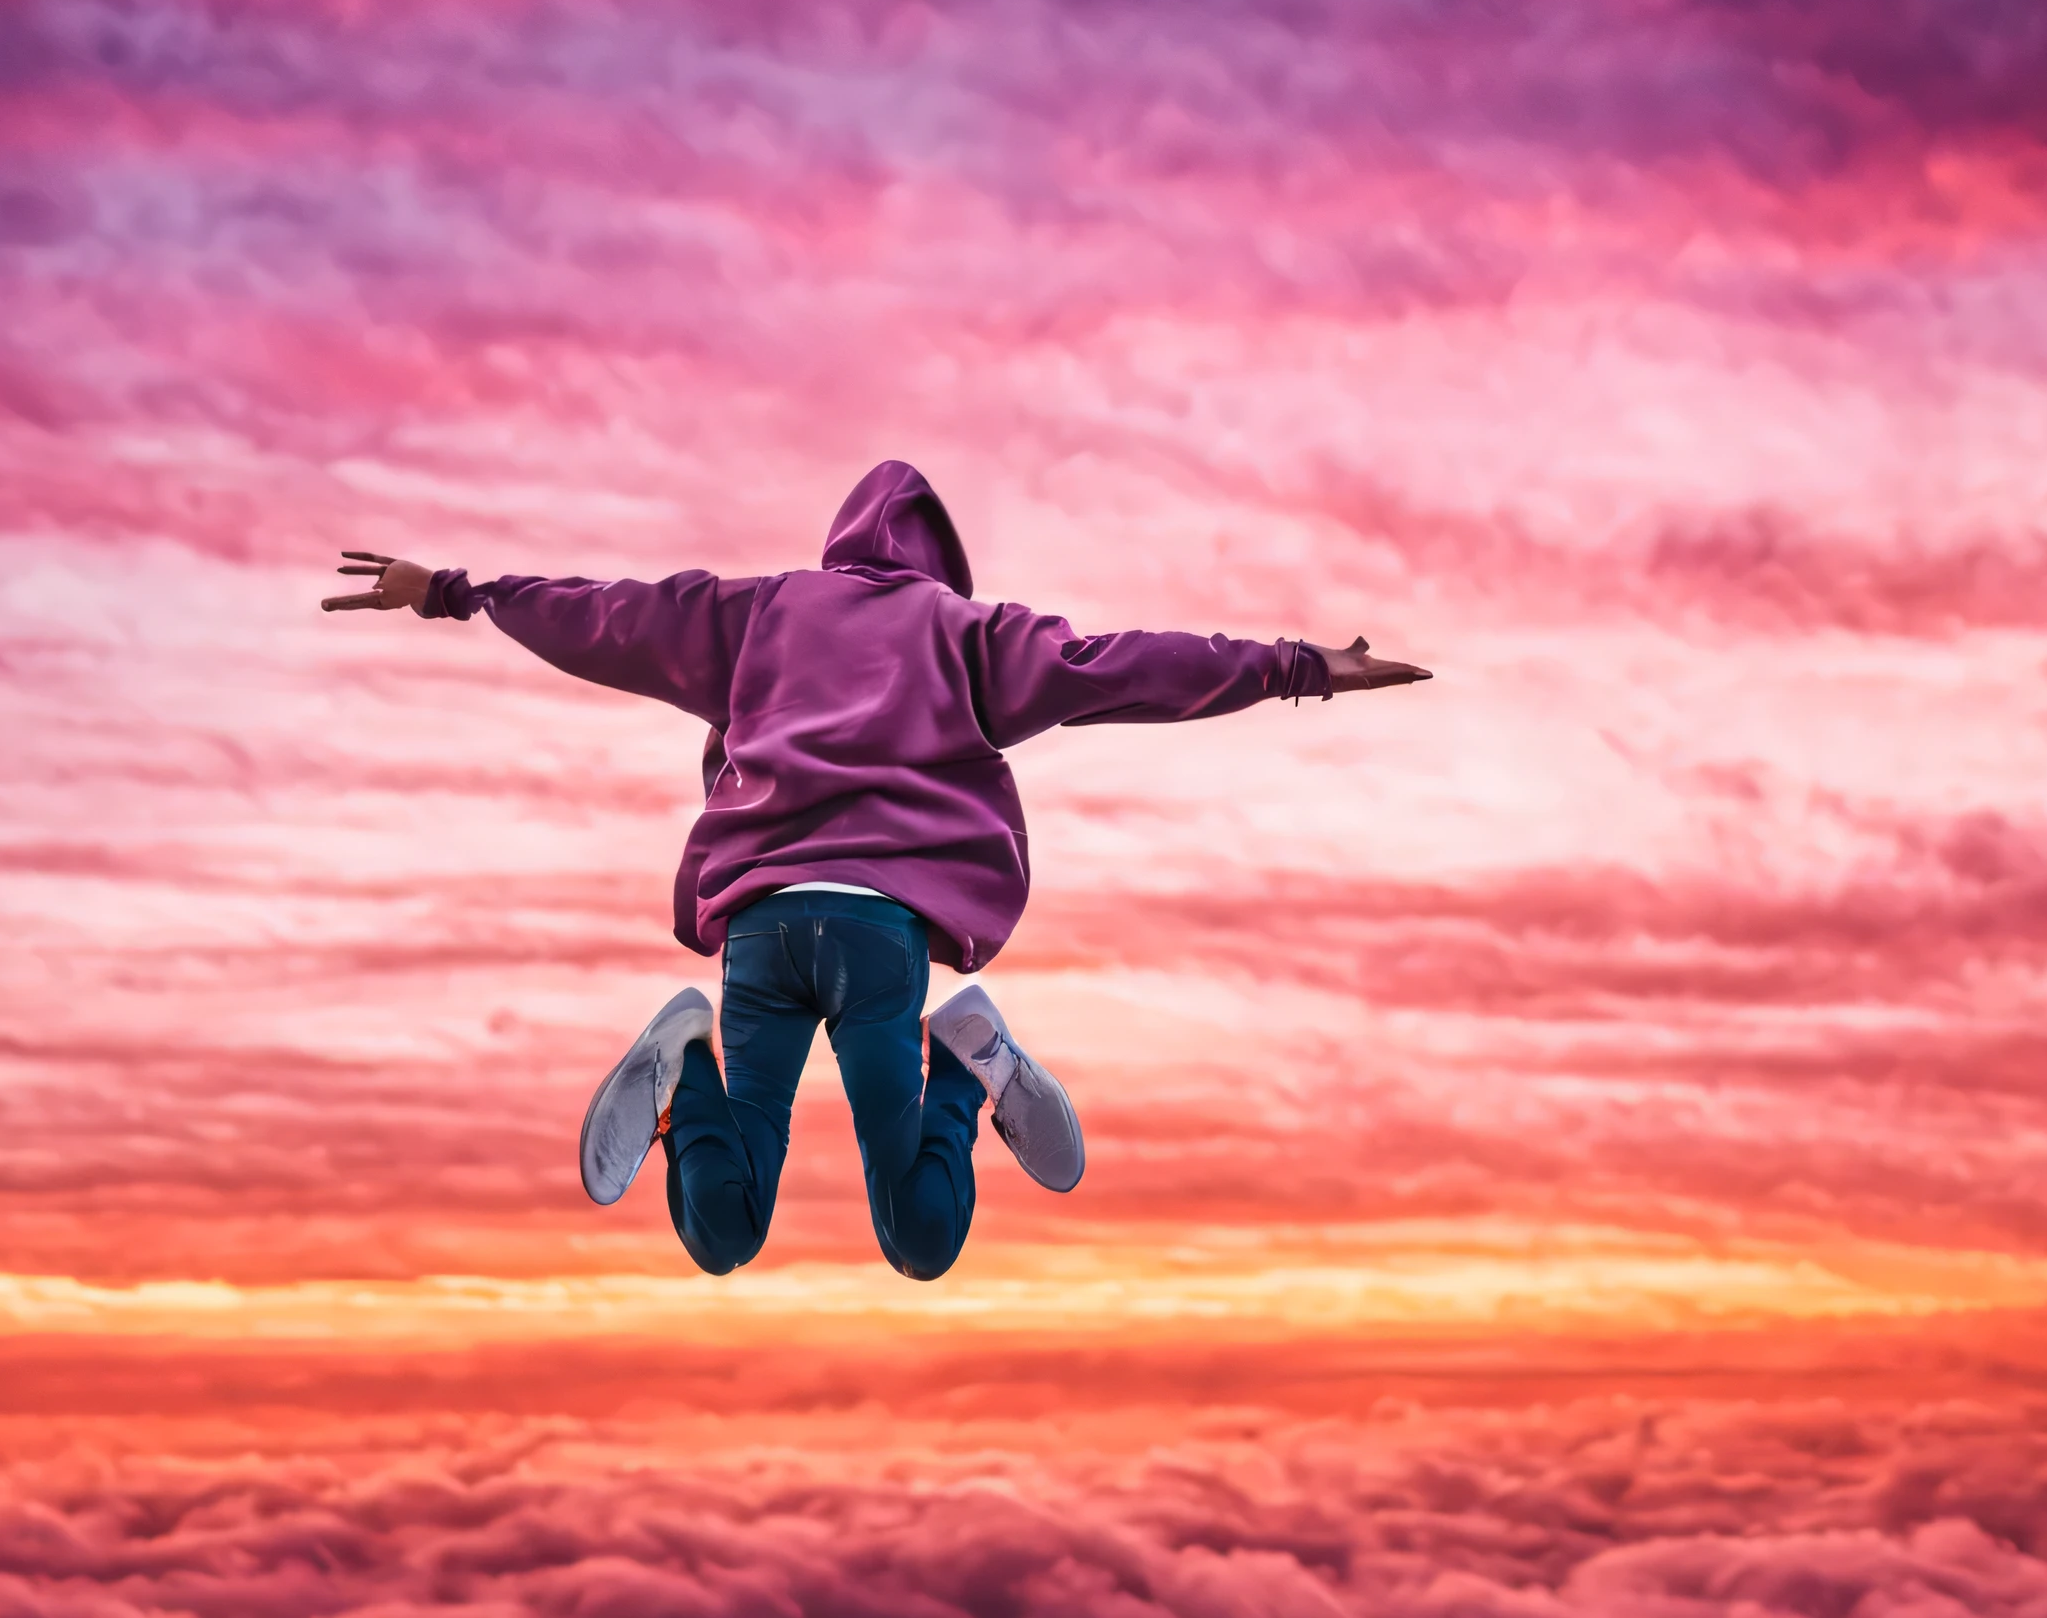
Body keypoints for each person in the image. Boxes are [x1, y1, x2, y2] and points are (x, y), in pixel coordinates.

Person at [323, 461, 1427, 1282]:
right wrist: (1298, 668)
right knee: (920, 1238)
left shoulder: (752, 612)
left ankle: (687, 1062)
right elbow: (1124, 667)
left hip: (762, 928)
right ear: (937, 559)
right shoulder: (969, 634)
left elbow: (604, 617)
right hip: (871, 939)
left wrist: (452, 591)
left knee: (720, 1234)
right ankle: (964, 1067)